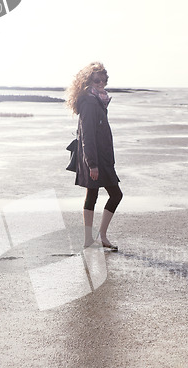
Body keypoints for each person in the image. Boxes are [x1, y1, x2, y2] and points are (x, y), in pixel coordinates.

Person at [66, 62, 123, 250]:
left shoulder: (97, 99)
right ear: (89, 81)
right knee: (115, 194)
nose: (101, 83)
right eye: (97, 80)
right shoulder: (90, 102)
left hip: (101, 156)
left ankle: (91, 239)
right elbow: (88, 135)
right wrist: (92, 165)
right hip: (96, 159)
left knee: (93, 194)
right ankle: (99, 237)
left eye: (104, 79)